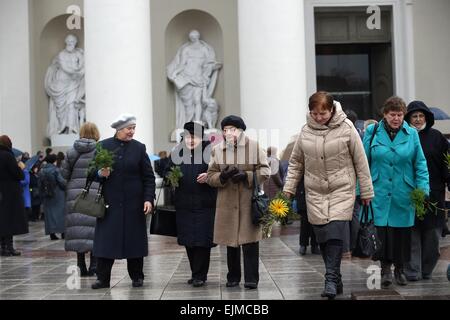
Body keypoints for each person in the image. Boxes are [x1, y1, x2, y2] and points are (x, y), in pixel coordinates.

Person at [283, 92, 374, 299]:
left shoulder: (347, 128)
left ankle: (330, 279)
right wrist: (288, 189)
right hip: (315, 191)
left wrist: (366, 190)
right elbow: (296, 163)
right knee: (323, 236)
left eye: (322, 113)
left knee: (335, 231)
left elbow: (360, 160)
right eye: (314, 113)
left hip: (342, 188)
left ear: (331, 110)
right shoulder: (305, 131)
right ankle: (336, 277)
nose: (318, 117)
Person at [363, 96, 429, 289]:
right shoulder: (372, 132)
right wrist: (361, 190)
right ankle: (384, 270)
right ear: (385, 114)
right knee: (382, 233)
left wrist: (422, 189)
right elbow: (363, 162)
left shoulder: (412, 134)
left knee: (402, 234)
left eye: (400, 115)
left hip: (403, 192)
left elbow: (420, 163)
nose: (397, 118)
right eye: (393, 115)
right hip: (379, 191)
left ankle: (400, 270)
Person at [91, 114, 156, 289]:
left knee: (134, 242)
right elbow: (90, 173)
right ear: (119, 130)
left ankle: (137, 276)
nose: (132, 132)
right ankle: (102, 279)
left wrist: (148, 199)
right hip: (110, 204)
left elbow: (148, 177)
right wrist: (99, 174)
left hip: (134, 205)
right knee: (106, 242)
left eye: (134, 128)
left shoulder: (139, 148)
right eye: (129, 128)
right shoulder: (103, 146)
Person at [207, 115, 270, 290]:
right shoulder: (217, 149)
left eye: (232, 129)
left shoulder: (254, 146)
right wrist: (223, 176)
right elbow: (210, 176)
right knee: (230, 243)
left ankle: (251, 278)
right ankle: (233, 276)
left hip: (247, 202)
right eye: (225, 130)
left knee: (250, 243)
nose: (228, 133)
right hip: (227, 203)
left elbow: (266, 169)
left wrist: (247, 176)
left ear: (241, 130)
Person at [403, 101, 449, 281]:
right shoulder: (404, 136)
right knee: (412, 236)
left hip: (434, 195)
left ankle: (427, 269)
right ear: (408, 119)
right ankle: (412, 271)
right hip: (409, 194)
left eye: (421, 116)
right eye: (414, 116)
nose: (417, 119)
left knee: (432, 238)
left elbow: (447, 163)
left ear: (427, 118)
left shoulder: (437, 137)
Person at [168, 122, 217, 287]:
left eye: (194, 137)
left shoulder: (210, 152)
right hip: (184, 205)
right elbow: (167, 169)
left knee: (203, 241)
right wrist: (171, 176)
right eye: (188, 136)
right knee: (189, 241)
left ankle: (200, 275)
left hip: (205, 204)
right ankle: (195, 272)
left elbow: (219, 172)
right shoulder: (178, 153)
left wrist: (208, 176)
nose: (190, 140)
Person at [61, 122, 101, 277]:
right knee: (93, 230)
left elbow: (63, 177)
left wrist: (71, 188)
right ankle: (94, 265)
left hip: (74, 196)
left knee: (78, 229)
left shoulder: (71, 152)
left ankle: (80, 264)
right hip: (94, 193)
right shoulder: (100, 151)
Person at [167, 30, 222, 128]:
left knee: (198, 100)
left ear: (197, 37)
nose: (193, 38)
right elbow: (182, 64)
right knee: (189, 102)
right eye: (191, 37)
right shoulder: (186, 49)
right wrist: (175, 72)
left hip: (199, 77)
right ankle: (189, 123)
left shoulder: (204, 49)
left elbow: (208, 63)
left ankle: (197, 122)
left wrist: (212, 67)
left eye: (194, 37)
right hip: (188, 76)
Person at [45, 34, 85, 137]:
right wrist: (76, 72)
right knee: (61, 108)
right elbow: (64, 67)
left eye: (72, 42)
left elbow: (82, 63)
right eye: (69, 42)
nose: (70, 44)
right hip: (61, 84)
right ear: (66, 42)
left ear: (75, 43)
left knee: (71, 105)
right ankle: (62, 128)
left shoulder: (78, 53)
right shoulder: (62, 54)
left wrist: (79, 69)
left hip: (73, 84)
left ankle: (72, 129)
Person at [0, 135, 28, 256]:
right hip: (10, 192)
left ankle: (2, 247)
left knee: (2, 219)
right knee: (9, 220)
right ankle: (9, 247)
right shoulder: (8, 155)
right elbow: (18, 175)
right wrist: (20, 167)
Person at [39, 154, 66, 240]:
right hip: (58, 194)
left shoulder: (42, 171)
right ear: (54, 161)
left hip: (47, 195)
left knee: (49, 215)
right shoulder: (56, 170)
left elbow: (39, 184)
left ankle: (52, 233)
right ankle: (63, 232)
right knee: (61, 213)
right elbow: (62, 182)